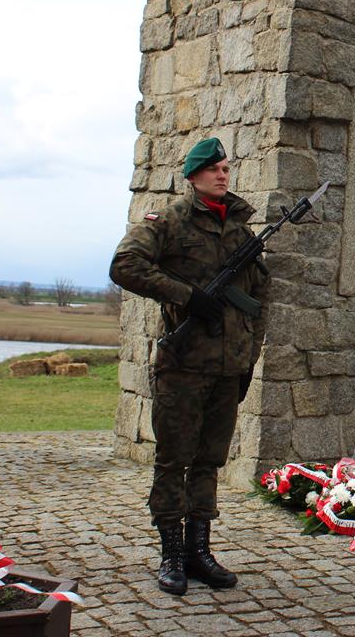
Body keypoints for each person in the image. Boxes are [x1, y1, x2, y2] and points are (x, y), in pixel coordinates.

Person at [110, 137, 269, 595]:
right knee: (173, 460)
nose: (223, 174)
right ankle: (172, 554)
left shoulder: (240, 229)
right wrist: (186, 296)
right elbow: (125, 265)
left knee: (208, 462)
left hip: (228, 367)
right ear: (195, 175)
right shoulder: (171, 220)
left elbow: (259, 298)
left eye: (226, 168)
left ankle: (201, 551)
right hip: (184, 366)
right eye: (214, 168)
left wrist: (249, 357)